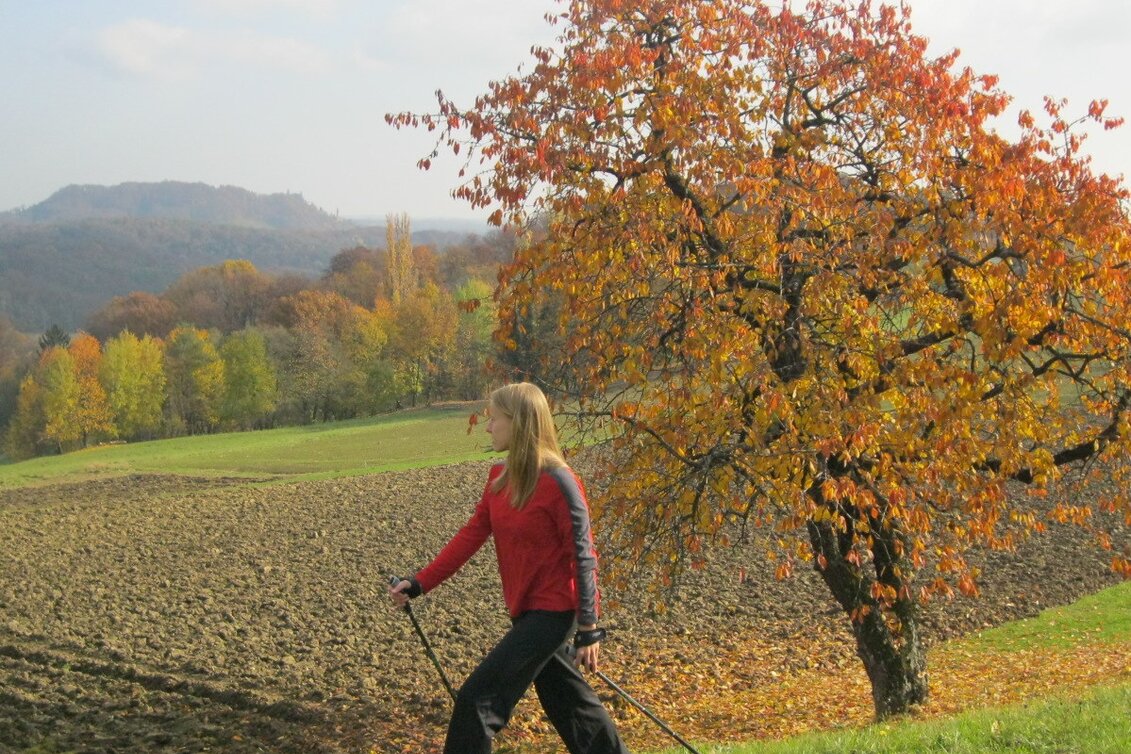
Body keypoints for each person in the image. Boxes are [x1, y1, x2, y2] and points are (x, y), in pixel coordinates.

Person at [388, 382, 630, 754]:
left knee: (477, 703)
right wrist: (419, 583)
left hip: (554, 613)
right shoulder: (499, 481)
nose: (488, 427)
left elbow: (583, 555)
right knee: (573, 708)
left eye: (494, 419)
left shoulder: (559, 482)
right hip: (527, 612)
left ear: (518, 423)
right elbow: (468, 538)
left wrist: (588, 628)